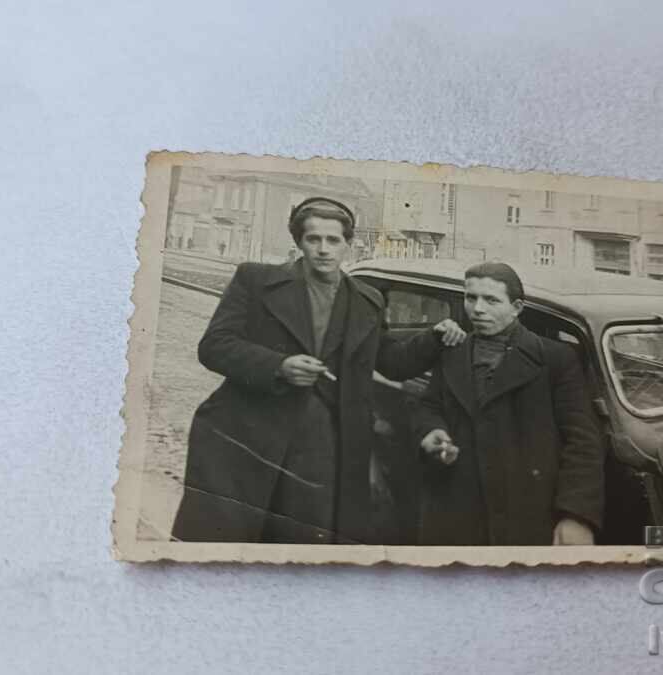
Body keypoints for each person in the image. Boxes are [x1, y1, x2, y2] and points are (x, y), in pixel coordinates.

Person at [171, 197, 466, 544]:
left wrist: (433, 339)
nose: (324, 250)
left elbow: (391, 362)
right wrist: (278, 366)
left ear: (348, 244)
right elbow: (215, 346)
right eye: (314, 239)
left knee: (298, 541)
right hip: (248, 434)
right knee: (228, 541)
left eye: (333, 240)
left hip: (321, 443)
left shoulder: (366, 300)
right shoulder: (256, 280)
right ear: (299, 242)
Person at [413, 262, 604, 546]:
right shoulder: (453, 352)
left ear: (516, 307)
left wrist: (575, 515)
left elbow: (583, 442)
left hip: (526, 511)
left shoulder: (555, 359)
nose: (477, 309)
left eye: (491, 300)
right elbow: (429, 405)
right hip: (458, 508)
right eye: (470, 297)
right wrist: (432, 431)